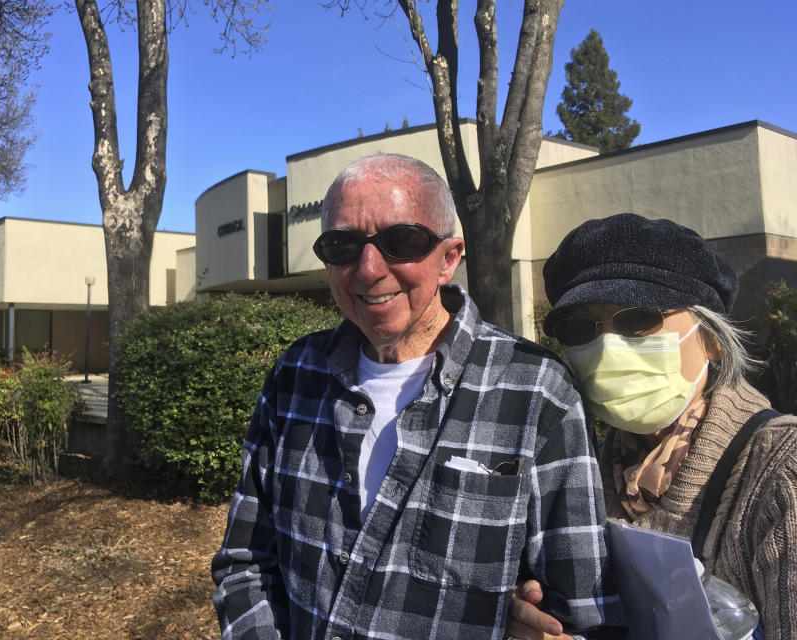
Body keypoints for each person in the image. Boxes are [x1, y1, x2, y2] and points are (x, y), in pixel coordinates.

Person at [211, 154, 623, 640]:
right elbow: (246, 564)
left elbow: (582, 611)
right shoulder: (295, 375)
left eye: (400, 241)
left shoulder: (537, 392)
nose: (368, 269)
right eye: (342, 245)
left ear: (449, 258)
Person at [507, 213, 797, 640]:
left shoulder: (779, 468)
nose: (608, 346)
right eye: (581, 327)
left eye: (637, 318)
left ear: (712, 336)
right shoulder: (581, 462)